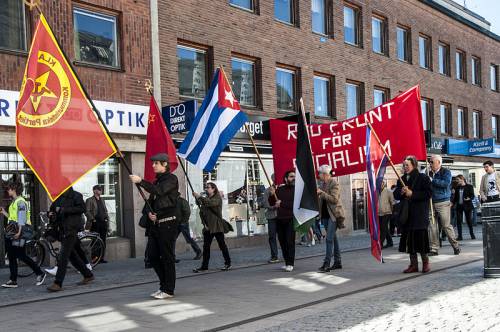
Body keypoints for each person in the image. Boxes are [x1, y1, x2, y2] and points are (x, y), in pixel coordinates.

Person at [130, 153, 180, 299]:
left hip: (168, 223)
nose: (153, 165)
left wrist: (140, 181)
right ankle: (163, 285)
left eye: (156, 163)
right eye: (153, 163)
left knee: (167, 257)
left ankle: (169, 289)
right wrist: (150, 214)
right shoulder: (157, 180)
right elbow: (152, 202)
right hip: (156, 224)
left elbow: (159, 191)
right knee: (152, 256)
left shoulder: (171, 179)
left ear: (164, 164)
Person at [46, 187, 94, 292]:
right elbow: (53, 209)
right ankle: (88, 274)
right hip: (62, 230)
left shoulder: (76, 195)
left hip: (71, 229)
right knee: (72, 256)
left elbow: (82, 208)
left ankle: (58, 283)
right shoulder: (58, 197)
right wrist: (49, 213)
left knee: (63, 256)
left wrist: (65, 210)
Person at [1, 181, 46, 288]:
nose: (7, 191)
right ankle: (13, 280)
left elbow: (21, 219)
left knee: (21, 255)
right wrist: (4, 213)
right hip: (13, 231)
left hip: (18, 233)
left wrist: (19, 232)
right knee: (12, 256)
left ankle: (40, 273)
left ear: (14, 189)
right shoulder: (14, 202)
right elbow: (13, 218)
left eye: (9, 189)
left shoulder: (21, 202)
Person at [394, 156, 432, 273]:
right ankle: (413, 264)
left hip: (419, 214)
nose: (405, 167)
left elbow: (428, 194)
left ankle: (425, 262)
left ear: (414, 165)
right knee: (409, 241)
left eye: (407, 165)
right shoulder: (402, 179)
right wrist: (401, 192)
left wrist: (412, 193)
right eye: (404, 165)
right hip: (407, 214)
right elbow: (396, 195)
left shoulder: (423, 177)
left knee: (420, 240)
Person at [192, 182, 231, 272]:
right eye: (206, 187)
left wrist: (199, 197)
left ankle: (228, 263)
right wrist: (204, 224)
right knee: (206, 247)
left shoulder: (217, 198)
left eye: (208, 187)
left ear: (213, 189)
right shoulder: (206, 199)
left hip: (216, 225)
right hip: (208, 227)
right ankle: (204, 266)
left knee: (222, 245)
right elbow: (202, 212)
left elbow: (211, 204)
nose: (207, 189)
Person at [428, 155, 460, 256]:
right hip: (431, 202)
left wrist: (432, 180)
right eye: (430, 162)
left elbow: (445, 183)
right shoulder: (429, 173)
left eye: (432, 162)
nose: (430, 164)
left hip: (443, 202)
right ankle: (434, 249)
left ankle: (455, 246)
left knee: (446, 226)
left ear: (439, 162)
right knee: (432, 226)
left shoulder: (446, 172)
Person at [317, 165, 345, 273]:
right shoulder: (321, 184)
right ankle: (338, 262)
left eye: (319, 173)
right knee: (333, 239)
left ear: (325, 174)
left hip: (333, 215)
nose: (318, 175)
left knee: (329, 239)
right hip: (324, 215)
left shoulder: (334, 183)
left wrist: (321, 193)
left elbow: (334, 199)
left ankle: (326, 264)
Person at [268, 170, 296, 272]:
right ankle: (286, 262)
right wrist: (272, 194)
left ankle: (290, 263)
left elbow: (295, 205)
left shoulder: (296, 190)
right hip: (279, 219)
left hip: (291, 219)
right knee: (282, 242)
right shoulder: (279, 189)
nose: (293, 178)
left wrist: (282, 203)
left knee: (290, 241)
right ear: (286, 178)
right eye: (291, 177)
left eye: (294, 177)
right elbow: (272, 202)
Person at [85, 185, 109, 263]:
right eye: (99, 189)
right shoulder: (89, 200)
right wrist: (93, 219)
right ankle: (94, 258)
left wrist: (106, 218)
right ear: (94, 191)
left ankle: (101, 258)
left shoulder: (102, 199)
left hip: (103, 222)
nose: (101, 191)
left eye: (101, 190)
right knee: (95, 241)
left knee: (103, 241)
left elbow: (105, 210)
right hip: (95, 223)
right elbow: (87, 211)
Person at [262, 175, 279, 263]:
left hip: (282, 216)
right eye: (275, 178)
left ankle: (287, 255)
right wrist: (273, 206)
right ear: (272, 179)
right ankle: (274, 256)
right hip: (272, 216)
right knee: (272, 236)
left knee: (284, 236)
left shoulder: (282, 189)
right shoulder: (268, 190)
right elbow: (265, 203)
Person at [453, 175, 476, 240]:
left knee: (469, 221)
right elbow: (455, 198)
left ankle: (472, 234)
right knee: (459, 221)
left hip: (467, 206)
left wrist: (469, 198)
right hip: (459, 206)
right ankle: (460, 236)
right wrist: (452, 203)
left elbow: (472, 195)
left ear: (462, 179)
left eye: (458, 179)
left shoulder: (469, 186)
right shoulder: (457, 187)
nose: (457, 181)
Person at [378, 181, 395, 249]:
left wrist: (392, 211)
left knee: (383, 228)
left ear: (384, 184)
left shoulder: (388, 191)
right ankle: (390, 242)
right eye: (379, 183)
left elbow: (392, 202)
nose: (381, 184)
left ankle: (380, 243)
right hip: (379, 213)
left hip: (387, 212)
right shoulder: (376, 192)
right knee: (384, 228)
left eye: (382, 183)